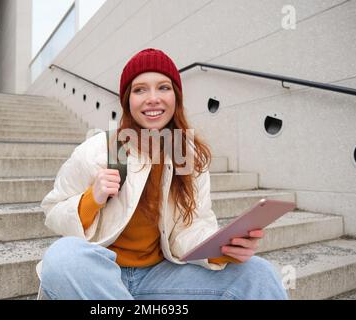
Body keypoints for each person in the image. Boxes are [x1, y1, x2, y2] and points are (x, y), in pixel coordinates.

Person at [37, 48, 288, 300]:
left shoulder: (187, 156)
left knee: (257, 272)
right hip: (100, 276)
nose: (153, 98)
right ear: (127, 100)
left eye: (163, 88)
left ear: (176, 97)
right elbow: (53, 210)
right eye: (140, 89)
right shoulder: (99, 150)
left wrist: (220, 250)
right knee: (62, 257)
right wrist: (92, 198)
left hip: (158, 278)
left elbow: (191, 228)